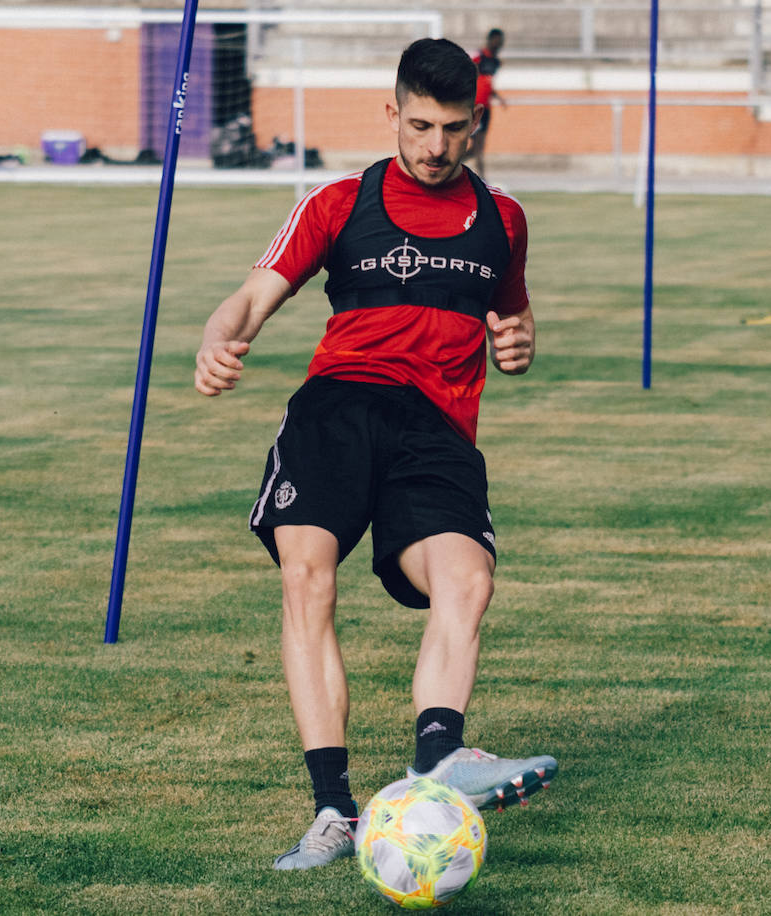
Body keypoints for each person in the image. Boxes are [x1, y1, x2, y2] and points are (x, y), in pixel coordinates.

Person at [193, 37, 557, 871]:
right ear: (392, 113)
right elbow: (251, 296)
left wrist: (519, 343)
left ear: (476, 123)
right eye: (420, 125)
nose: (435, 147)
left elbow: (513, 316)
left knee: (467, 579)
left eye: (453, 129)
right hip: (339, 408)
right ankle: (332, 812)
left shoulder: (503, 220)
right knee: (305, 574)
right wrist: (219, 339)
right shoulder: (339, 202)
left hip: (437, 429)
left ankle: (440, 757)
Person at [470, 29, 506, 178]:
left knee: (478, 147)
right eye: (497, 40)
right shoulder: (479, 57)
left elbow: (487, 83)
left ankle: (453, 164)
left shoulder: (496, 62)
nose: (499, 44)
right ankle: (483, 180)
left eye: (501, 41)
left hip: (487, 108)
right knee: (477, 147)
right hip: (474, 106)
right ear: (490, 40)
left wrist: (497, 96)